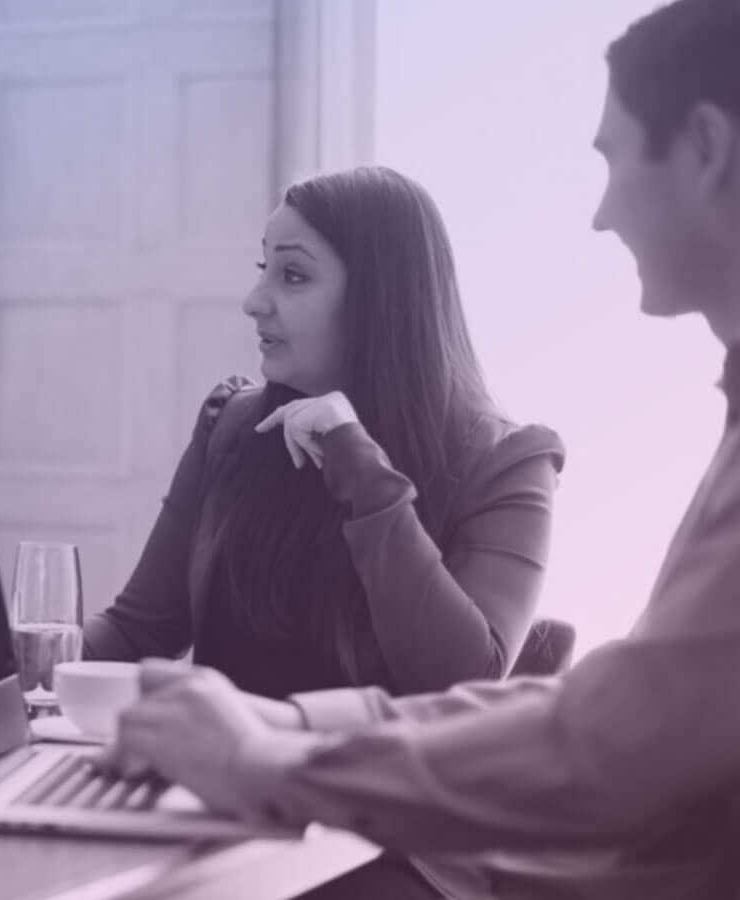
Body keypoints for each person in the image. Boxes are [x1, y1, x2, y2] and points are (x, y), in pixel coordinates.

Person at [106, 1, 740, 898]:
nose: (601, 216)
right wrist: (288, 728)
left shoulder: (507, 457)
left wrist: (272, 765)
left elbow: (609, 740)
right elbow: (602, 707)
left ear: (707, 148)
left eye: (614, 159)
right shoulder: (239, 425)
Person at [84, 165, 565, 705]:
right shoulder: (232, 427)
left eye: (292, 276)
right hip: (220, 778)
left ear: (381, 300)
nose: (254, 300)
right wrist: (11, 654)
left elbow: (459, 690)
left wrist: (366, 477)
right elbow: (136, 633)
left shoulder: (509, 465)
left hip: (372, 788)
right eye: (264, 267)